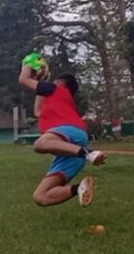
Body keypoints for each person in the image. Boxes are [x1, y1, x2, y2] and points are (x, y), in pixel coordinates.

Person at [18, 60, 105, 207]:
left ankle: (88, 153)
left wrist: (28, 63)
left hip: (71, 132)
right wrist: (40, 79)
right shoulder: (58, 98)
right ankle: (80, 188)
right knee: (41, 197)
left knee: (40, 144)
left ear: (60, 82)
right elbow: (38, 111)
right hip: (69, 151)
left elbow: (23, 79)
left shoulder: (55, 88)